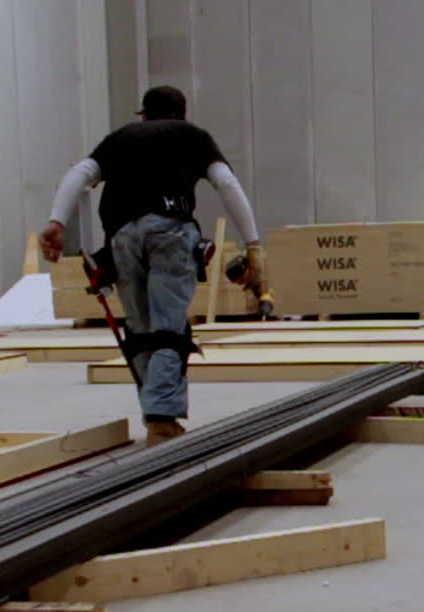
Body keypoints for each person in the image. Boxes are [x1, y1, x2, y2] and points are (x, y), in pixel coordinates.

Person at [40, 85, 266, 446]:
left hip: (122, 238)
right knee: (168, 328)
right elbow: (226, 183)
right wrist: (254, 244)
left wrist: (56, 222)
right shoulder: (193, 136)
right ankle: (162, 419)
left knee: (141, 329)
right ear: (182, 114)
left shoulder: (120, 138)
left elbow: (79, 175)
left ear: (143, 115)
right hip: (170, 231)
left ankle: (156, 416)